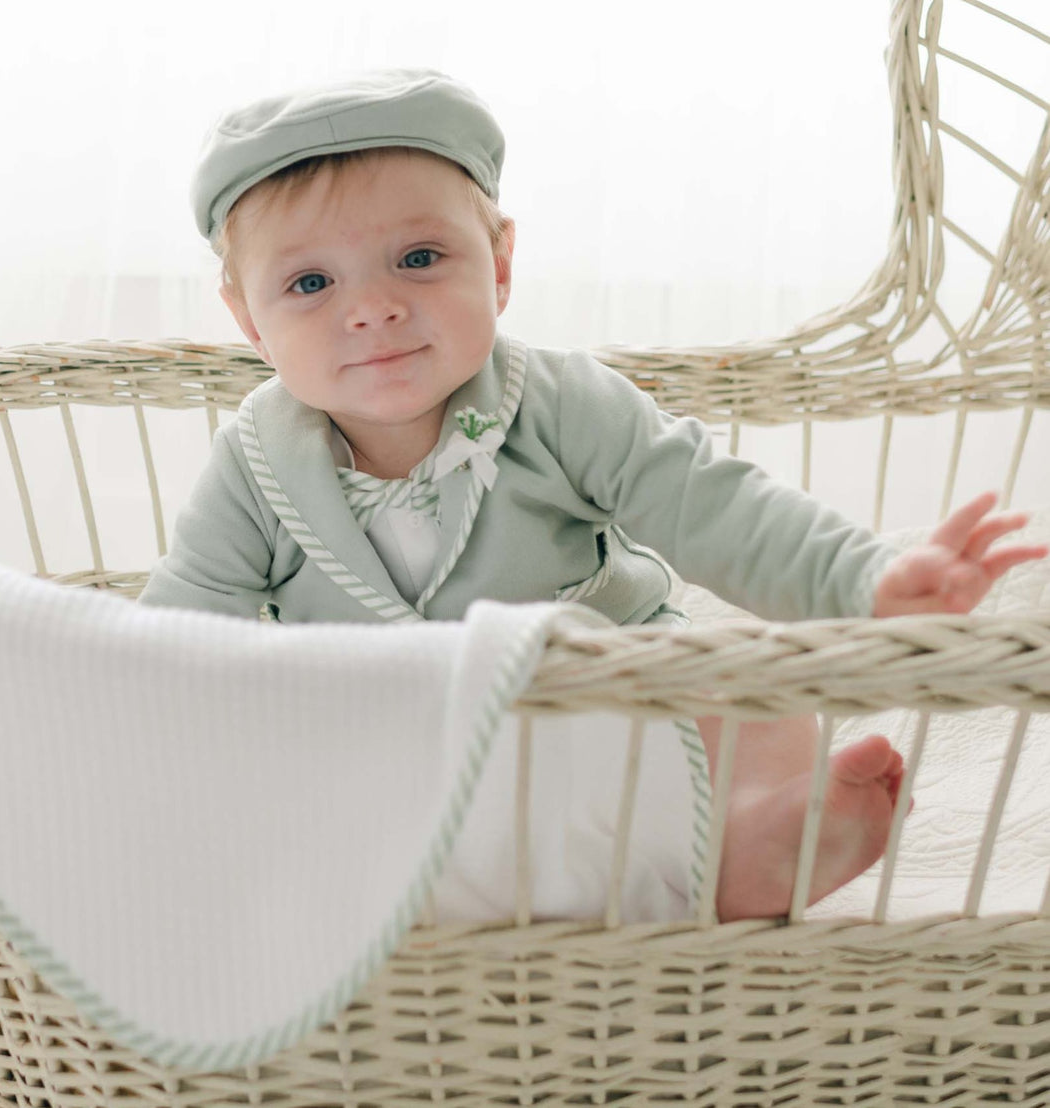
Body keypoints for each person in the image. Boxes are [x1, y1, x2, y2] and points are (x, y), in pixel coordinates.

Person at [140, 68, 1048, 921]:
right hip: (390, 747)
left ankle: (743, 847)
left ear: (498, 264)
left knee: (747, 677)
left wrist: (870, 578)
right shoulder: (256, 462)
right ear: (248, 318)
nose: (372, 307)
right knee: (266, 768)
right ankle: (389, 891)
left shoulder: (563, 402)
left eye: (419, 258)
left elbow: (713, 503)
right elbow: (179, 632)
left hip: (605, 707)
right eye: (310, 283)